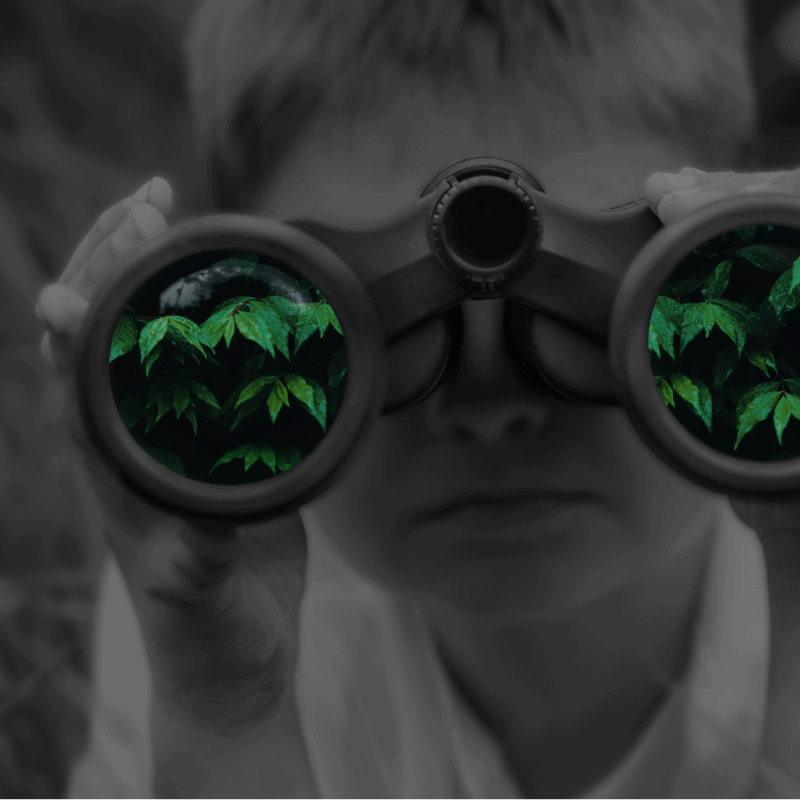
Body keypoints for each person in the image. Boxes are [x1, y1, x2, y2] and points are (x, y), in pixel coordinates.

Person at [33, 0, 800, 797]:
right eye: (342, 327)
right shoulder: (212, 592)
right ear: (244, 294)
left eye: (632, 316)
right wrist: (225, 712)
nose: (490, 408)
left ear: (750, 262)